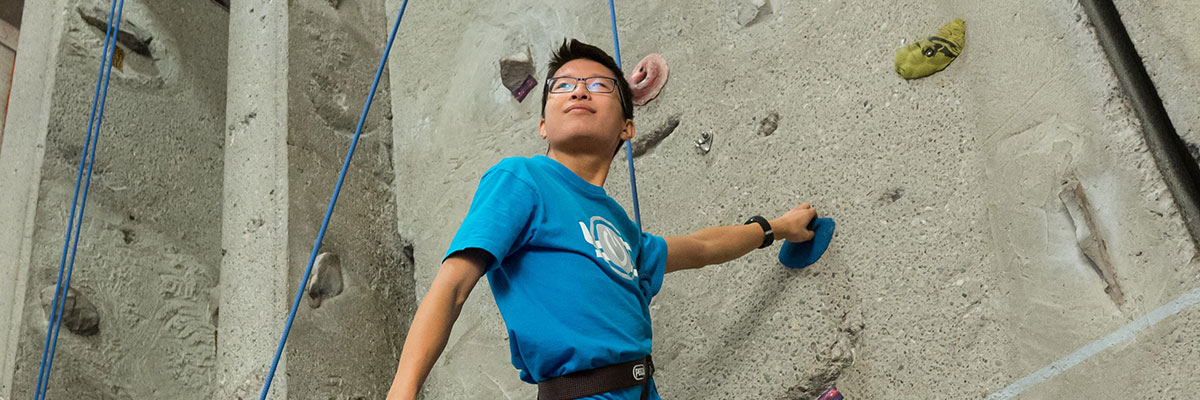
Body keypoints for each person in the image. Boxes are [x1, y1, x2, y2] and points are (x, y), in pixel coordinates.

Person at [386, 39, 819, 400]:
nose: (578, 91)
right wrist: (403, 391)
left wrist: (777, 228)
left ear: (628, 128)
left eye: (598, 85)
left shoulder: (622, 233)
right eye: (562, 86)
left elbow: (703, 247)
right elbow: (454, 284)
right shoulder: (522, 179)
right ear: (542, 125)